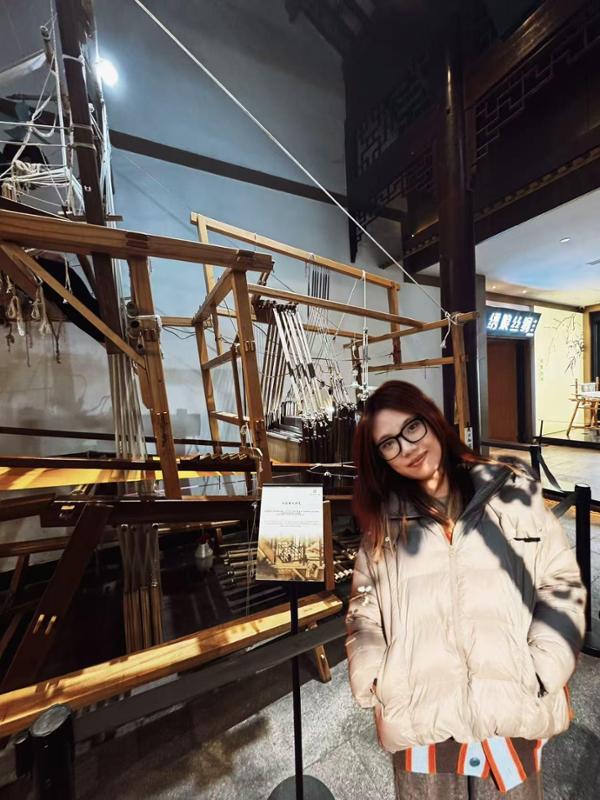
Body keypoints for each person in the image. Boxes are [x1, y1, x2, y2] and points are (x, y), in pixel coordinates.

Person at [346, 380, 586, 799]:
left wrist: (543, 668)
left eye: (412, 428)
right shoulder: (384, 524)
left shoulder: (511, 493)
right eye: (388, 443)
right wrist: (377, 677)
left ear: (432, 420)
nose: (407, 447)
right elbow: (364, 608)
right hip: (422, 726)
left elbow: (559, 580)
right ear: (379, 457)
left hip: (510, 714)